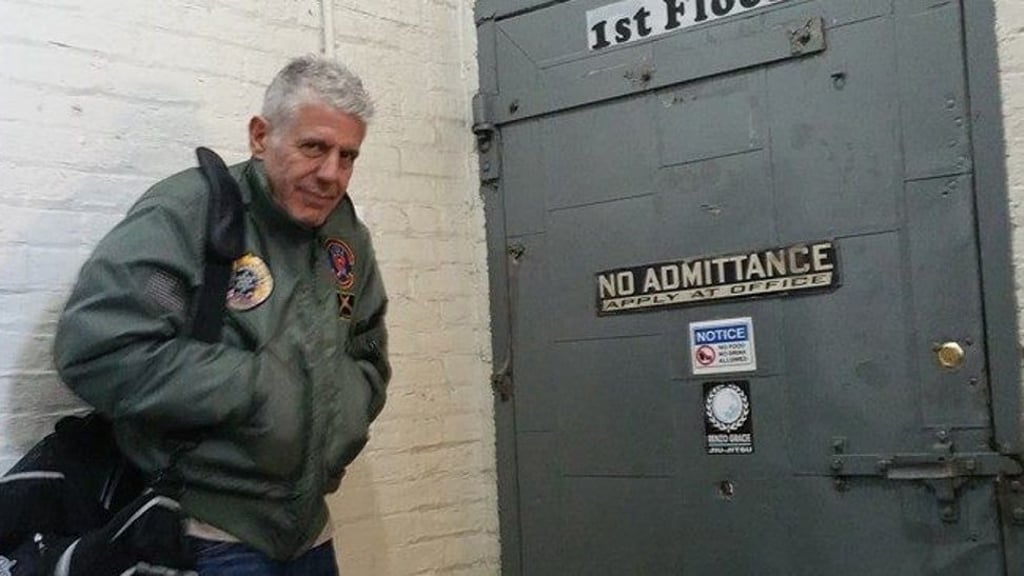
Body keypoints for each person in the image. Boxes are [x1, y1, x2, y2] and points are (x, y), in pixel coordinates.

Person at [52, 55, 391, 576]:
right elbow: (101, 350)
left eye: (348, 156)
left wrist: (345, 411)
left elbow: (367, 344)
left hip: (310, 533)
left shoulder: (343, 233)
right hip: (209, 538)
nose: (331, 174)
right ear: (261, 136)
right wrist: (255, 388)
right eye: (314, 148)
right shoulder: (190, 215)